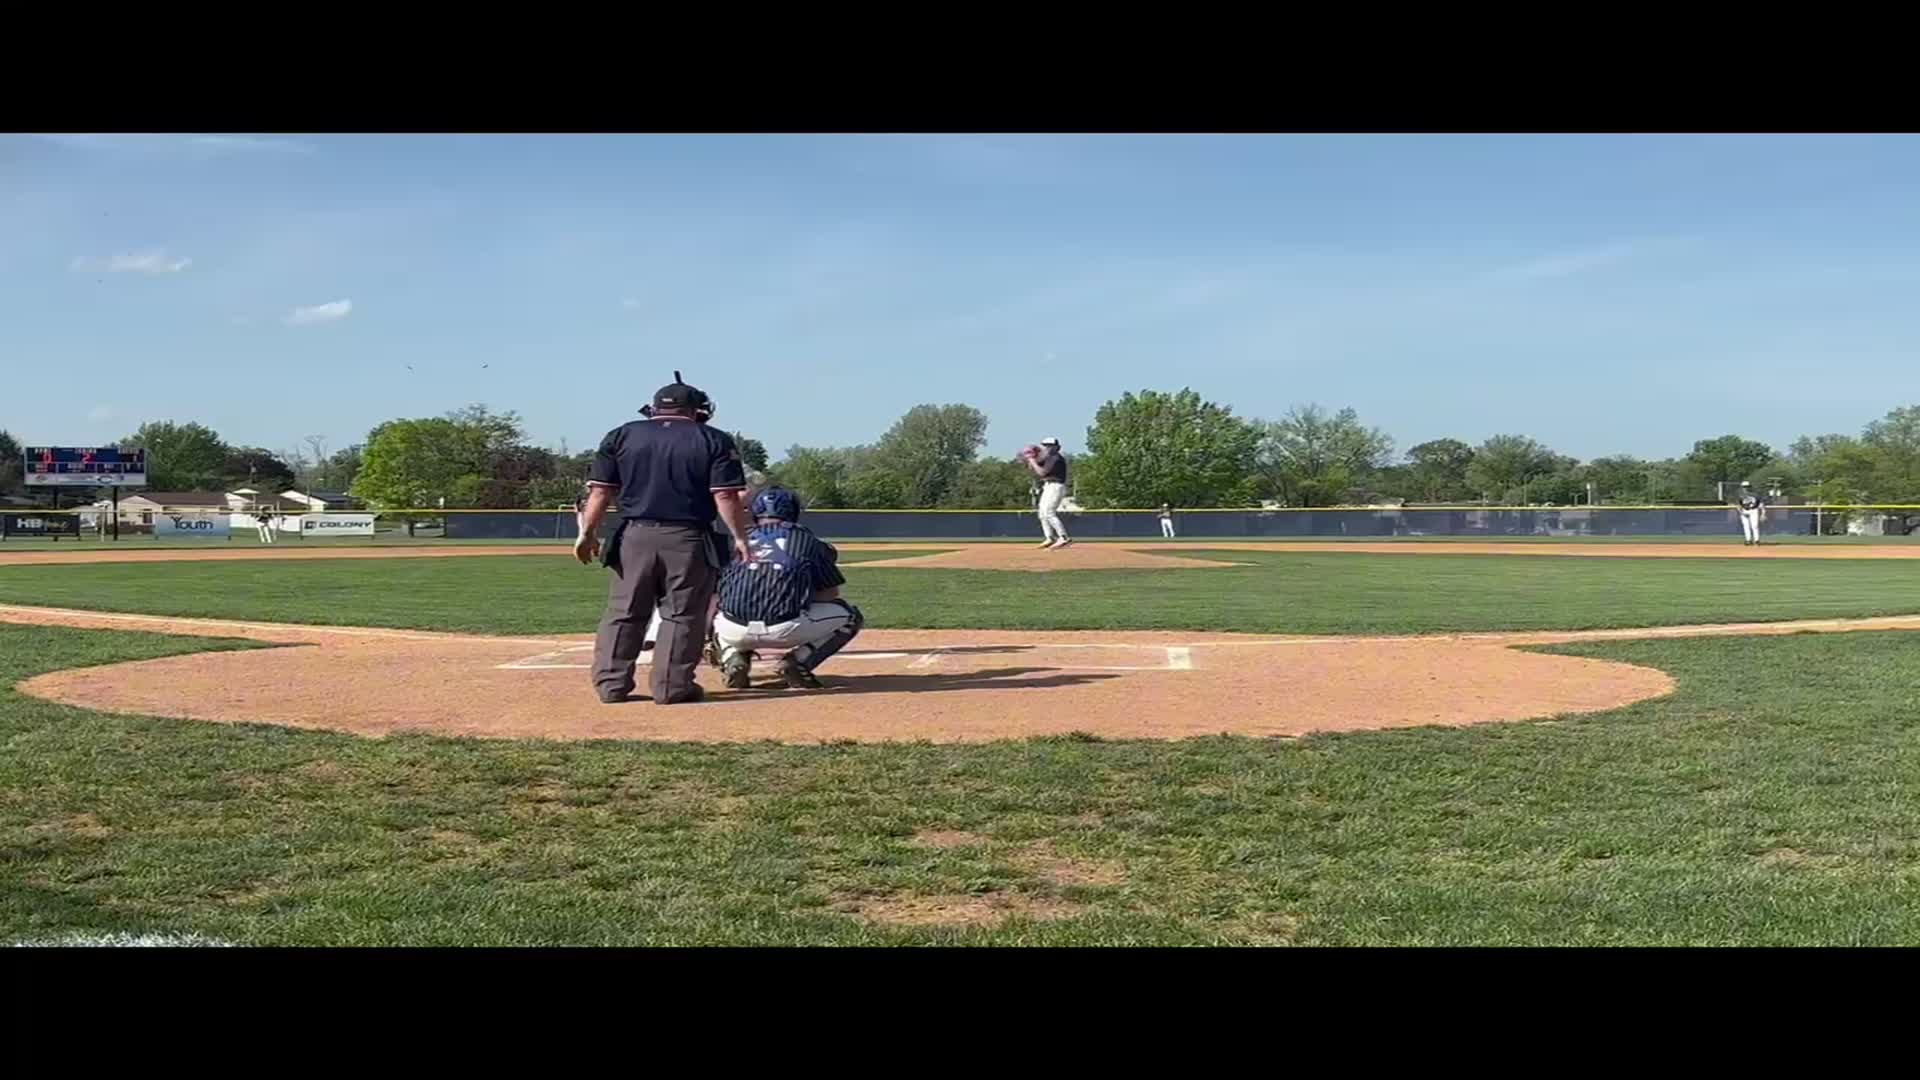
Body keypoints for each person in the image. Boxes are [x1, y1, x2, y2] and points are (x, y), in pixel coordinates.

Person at [575, 374, 753, 705]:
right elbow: (726, 496)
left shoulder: (622, 434)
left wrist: (587, 532)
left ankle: (611, 685)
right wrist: (740, 537)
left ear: (654, 408)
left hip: (633, 535)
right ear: (697, 409)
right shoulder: (714, 439)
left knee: (624, 610)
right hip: (687, 537)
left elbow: (600, 491)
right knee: (682, 613)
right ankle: (671, 687)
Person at [712, 487, 863, 691]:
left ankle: (731, 656)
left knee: (713, 608)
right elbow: (830, 594)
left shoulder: (735, 541)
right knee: (851, 616)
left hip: (732, 629)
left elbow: (715, 590)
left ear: (755, 511)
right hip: (786, 629)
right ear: (793, 511)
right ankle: (798, 662)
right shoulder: (807, 540)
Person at [1021, 437, 1073, 549]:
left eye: (1050, 445)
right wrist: (1032, 456)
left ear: (1056, 447)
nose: (1047, 447)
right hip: (1048, 486)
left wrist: (1032, 459)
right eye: (1045, 445)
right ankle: (1049, 538)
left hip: (1056, 486)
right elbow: (1032, 467)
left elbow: (1041, 472)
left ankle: (1064, 537)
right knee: (1042, 513)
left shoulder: (1055, 457)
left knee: (1049, 512)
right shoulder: (1048, 457)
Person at [1736, 481, 1766, 546]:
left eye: (1747, 487)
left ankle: (1756, 540)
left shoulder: (1755, 495)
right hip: (1744, 511)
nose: (1745, 488)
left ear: (1750, 487)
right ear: (1742, 487)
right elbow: (1738, 505)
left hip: (1753, 510)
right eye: (1744, 487)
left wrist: (1763, 514)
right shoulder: (1740, 495)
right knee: (1746, 526)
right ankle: (1748, 540)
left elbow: (1761, 504)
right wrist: (1741, 512)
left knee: (1754, 526)